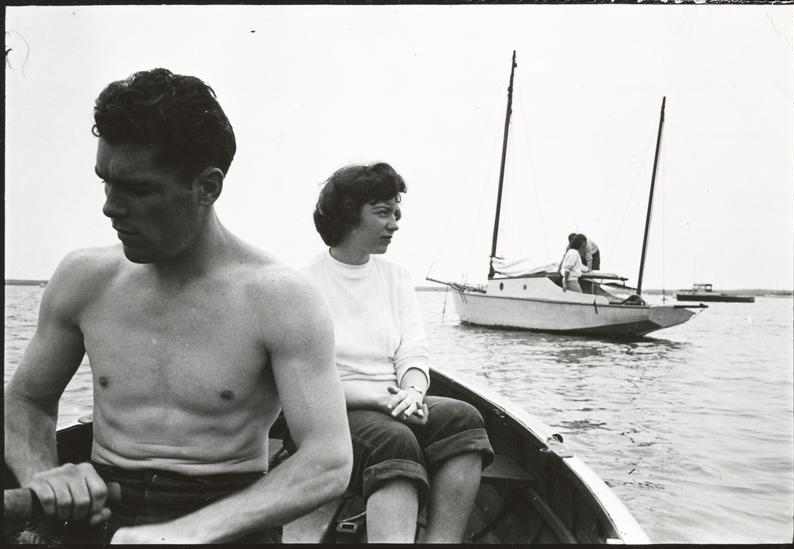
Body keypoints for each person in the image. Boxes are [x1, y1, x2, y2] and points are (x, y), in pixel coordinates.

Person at [3, 68, 352, 544]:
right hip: (101, 507)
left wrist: (185, 534)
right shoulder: (83, 278)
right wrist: (44, 475)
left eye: (138, 189)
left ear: (207, 187)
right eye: (106, 182)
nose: (110, 207)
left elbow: (328, 460)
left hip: (227, 519)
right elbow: (27, 400)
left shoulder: (280, 297)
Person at [305, 162, 495, 543]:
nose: (394, 224)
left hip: (392, 402)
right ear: (348, 214)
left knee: (464, 419)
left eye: (396, 214)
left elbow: (413, 353)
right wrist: (381, 399)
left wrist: (412, 393)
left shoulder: (396, 277)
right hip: (333, 411)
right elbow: (307, 382)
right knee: (395, 440)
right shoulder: (304, 285)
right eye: (383, 213)